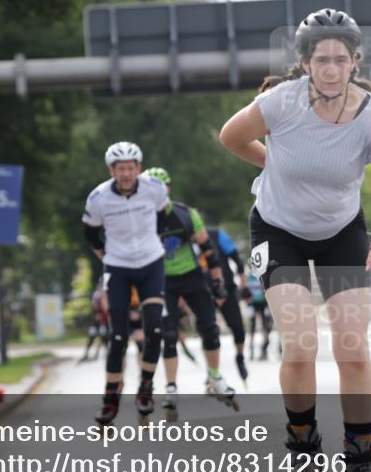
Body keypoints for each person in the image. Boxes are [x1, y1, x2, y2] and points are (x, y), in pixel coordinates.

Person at [219, 7, 371, 472]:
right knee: (300, 344)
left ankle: (362, 465)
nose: (330, 68)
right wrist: (272, 163)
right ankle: (302, 456)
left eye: (339, 59)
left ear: (354, 62)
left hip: (342, 232)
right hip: (277, 230)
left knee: (352, 345)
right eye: (320, 59)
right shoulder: (280, 103)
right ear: (304, 63)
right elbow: (230, 137)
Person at [141, 167, 238, 419]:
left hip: (191, 276)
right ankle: (171, 388)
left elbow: (208, 249)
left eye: (161, 189)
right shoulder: (140, 218)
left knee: (210, 326)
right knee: (168, 333)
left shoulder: (185, 214)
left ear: (168, 189)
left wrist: (217, 282)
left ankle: (215, 377)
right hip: (162, 280)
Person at [83, 141, 169, 425]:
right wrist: (106, 256)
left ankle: (145, 387)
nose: (126, 173)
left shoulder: (154, 188)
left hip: (150, 262)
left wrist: (151, 242)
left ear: (138, 167)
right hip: (117, 265)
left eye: (131, 167)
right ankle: (110, 400)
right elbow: (92, 233)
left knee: (155, 330)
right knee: (117, 336)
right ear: (112, 170)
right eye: (120, 168)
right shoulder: (98, 198)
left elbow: (162, 216)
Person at [204, 226, 251, 385]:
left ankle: (240, 356)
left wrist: (244, 285)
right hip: (202, 291)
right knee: (208, 331)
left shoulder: (217, 235)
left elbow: (237, 259)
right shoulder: (185, 239)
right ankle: (212, 371)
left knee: (238, 328)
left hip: (226, 288)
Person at [240, 269, 274, 360]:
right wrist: (248, 304)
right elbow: (244, 292)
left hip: (263, 304)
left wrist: (268, 304)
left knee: (265, 327)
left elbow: (268, 291)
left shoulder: (263, 276)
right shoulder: (249, 278)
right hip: (253, 304)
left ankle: (264, 349)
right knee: (252, 328)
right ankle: (251, 349)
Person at [79, 278, 110, 363]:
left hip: (104, 320)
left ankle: (105, 354)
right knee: (92, 336)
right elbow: (95, 306)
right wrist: (97, 314)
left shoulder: (108, 293)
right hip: (96, 321)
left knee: (104, 337)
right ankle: (86, 354)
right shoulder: (97, 294)